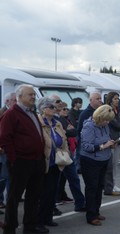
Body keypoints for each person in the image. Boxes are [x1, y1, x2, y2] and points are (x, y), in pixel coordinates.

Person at [0, 84, 47, 234]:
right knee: (14, 198)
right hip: (20, 162)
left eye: (34, 94)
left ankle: (30, 227)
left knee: (34, 196)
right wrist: (14, 159)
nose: (33, 97)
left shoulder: (32, 112)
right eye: (30, 95)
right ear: (19, 97)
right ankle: (10, 228)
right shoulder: (12, 114)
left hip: (36, 161)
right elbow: (4, 138)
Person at [36, 97, 70, 229]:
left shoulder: (57, 123)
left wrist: (65, 152)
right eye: (51, 107)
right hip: (44, 163)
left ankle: (48, 217)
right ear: (43, 109)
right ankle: (39, 221)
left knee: (52, 192)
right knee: (43, 193)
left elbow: (64, 139)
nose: (55, 109)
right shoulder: (39, 122)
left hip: (57, 162)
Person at [80, 105, 115, 226]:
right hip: (91, 161)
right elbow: (86, 146)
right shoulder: (89, 126)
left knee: (99, 187)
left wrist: (111, 143)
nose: (108, 122)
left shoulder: (104, 126)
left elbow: (106, 138)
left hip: (103, 160)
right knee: (92, 188)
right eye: (106, 120)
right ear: (99, 118)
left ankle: (96, 211)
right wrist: (103, 146)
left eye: (109, 120)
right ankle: (91, 215)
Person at [55, 100, 86, 212]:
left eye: (66, 108)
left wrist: (68, 130)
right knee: (55, 181)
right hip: (58, 153)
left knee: (73, 178)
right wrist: (67, 130)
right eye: (63, 108)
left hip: (66, 152)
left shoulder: (63, 119)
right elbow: (64, 132)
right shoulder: (55, 119)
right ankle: (53, 204)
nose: (65, 110)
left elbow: (74, 131)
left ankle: (80, 203)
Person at [104, 92, 120, 195]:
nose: (117, 100)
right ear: (110, 99)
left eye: (118, 99)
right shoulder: (108, 110)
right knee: (110, 165)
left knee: (115, 164)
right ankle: (109, 185)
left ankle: (114, 183)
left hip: (118, 139)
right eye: (115, 99)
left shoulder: (118, 111)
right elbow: (117, 125)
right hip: (111, 140)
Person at [75, 93, 102, 173]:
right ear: (91, 100)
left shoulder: (100, 112)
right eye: (98, 99)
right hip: (87, 145)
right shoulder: (85, 113)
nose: (100, 100)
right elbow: (80, 130)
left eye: (100, 98)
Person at [0, 92, 16, 211]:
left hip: (13, 150)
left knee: (10, 177)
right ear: (7, 102)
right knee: (4, 177)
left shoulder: (16, 113)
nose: (16, 103)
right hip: (3, 150)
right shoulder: (3, 113)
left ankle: (11, 199)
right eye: (14, 100)